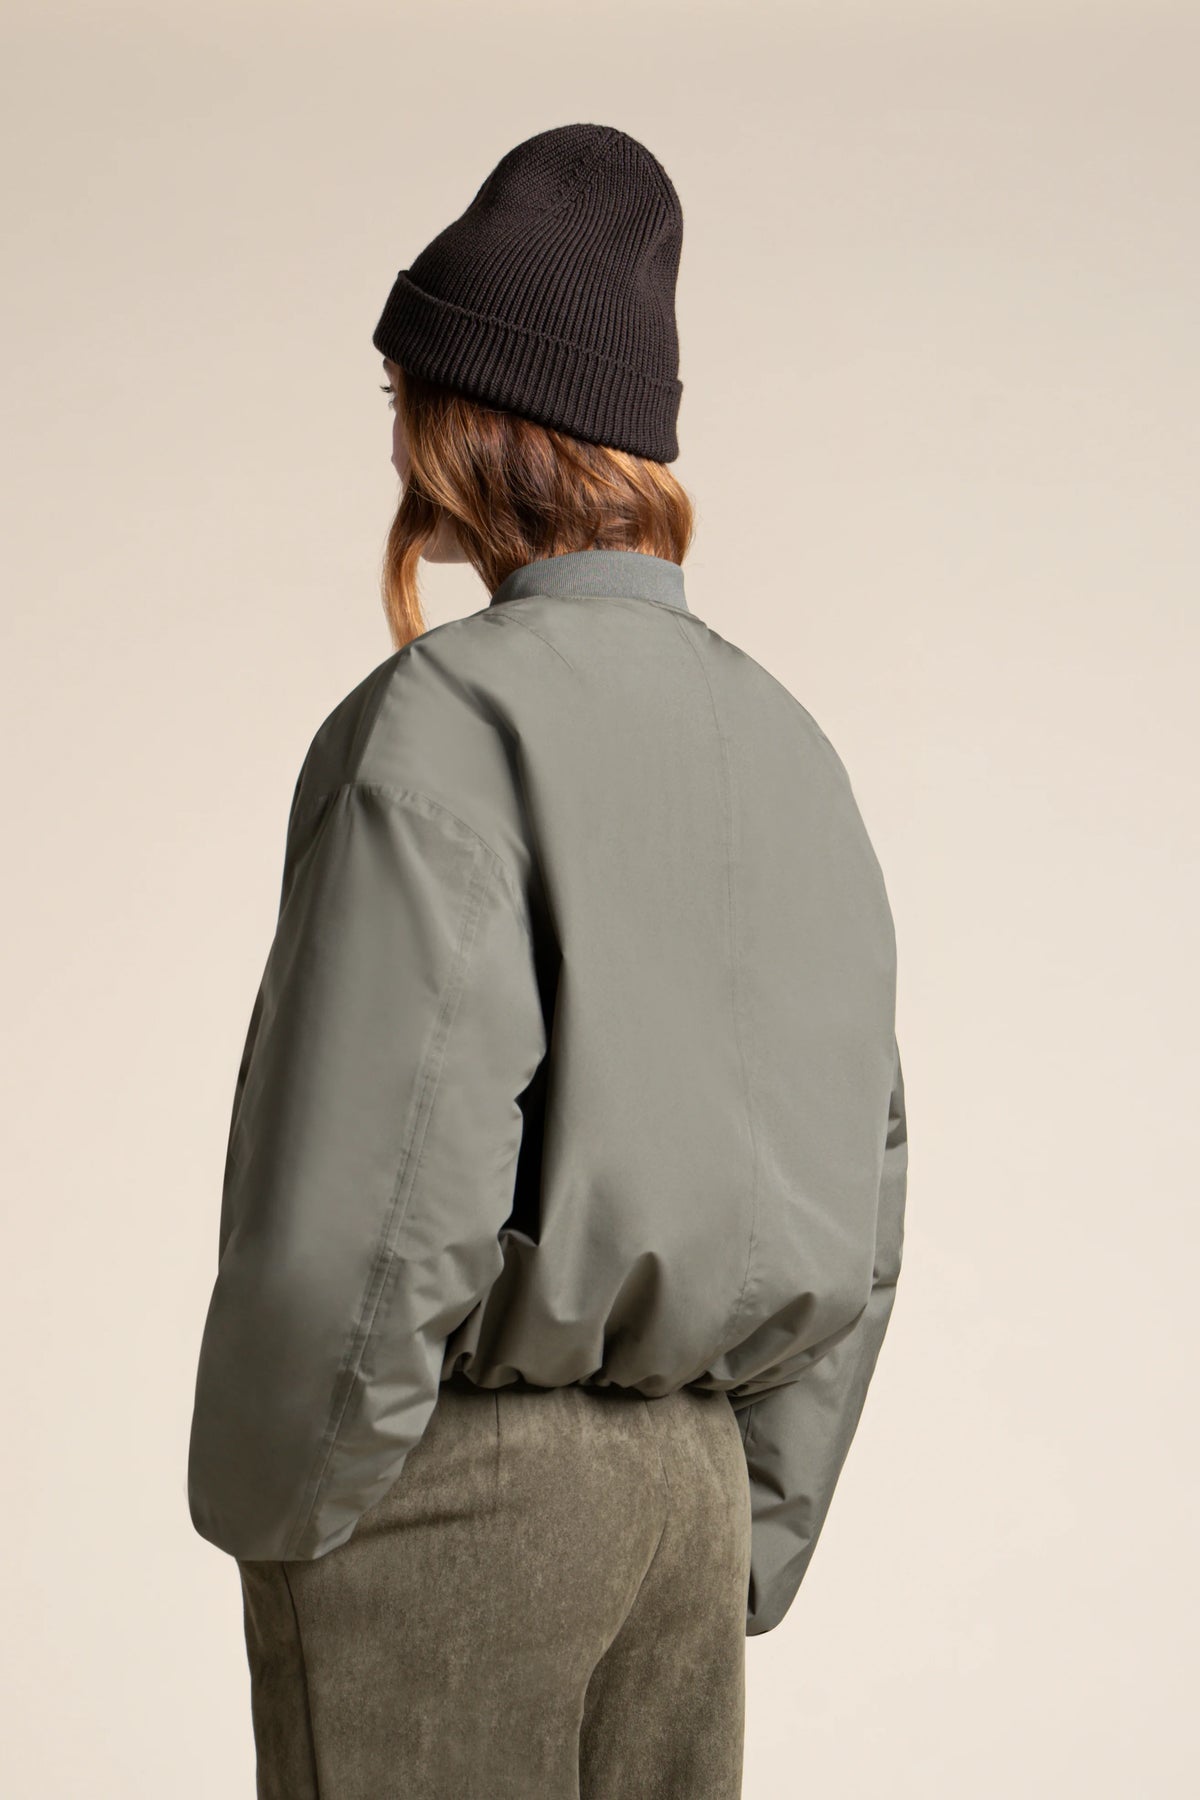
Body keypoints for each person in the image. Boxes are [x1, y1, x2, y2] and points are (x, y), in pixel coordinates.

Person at [187, 121, 909, 1800]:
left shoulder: (444, 721)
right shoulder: (794, 749)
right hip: (689, 1498)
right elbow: (862, 1183)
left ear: (465, 418)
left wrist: (282, 1505)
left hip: (453, 1502)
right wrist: (749, 1517)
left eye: (404, 395)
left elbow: (382, 1177)